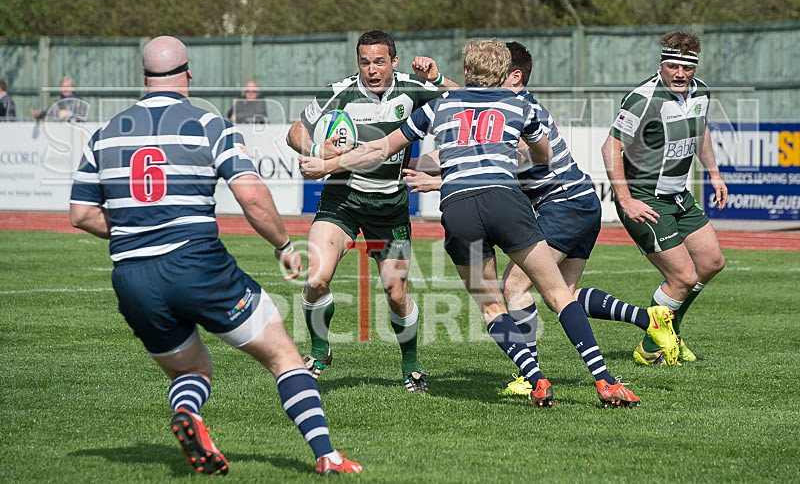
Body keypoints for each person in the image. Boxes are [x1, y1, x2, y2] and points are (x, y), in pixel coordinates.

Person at [69, 36, 361, 476]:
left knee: (191, 368)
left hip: (131, 276)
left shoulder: (106, 133)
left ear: (143, 77)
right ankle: (327, 455)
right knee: (283, 355)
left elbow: (80, 214)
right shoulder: (207, 122)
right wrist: (283, 245)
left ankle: (188, 415)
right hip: (196, 263)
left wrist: (136, 231)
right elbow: (252, 197)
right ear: (188, 72)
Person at [300, 38, 641, 408]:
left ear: (465, 72)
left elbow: (383, 148)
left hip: (459, 208)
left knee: (491, 306)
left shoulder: (441, 105)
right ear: (501, 73)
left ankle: (536, 379)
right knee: (558, 293)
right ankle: (605, 381)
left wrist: (328, 165)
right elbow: (542, 155)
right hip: (505, 202)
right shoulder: (519, 104)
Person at [402, 41, 679, 399]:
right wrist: (439, 79)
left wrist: (441, 180)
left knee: (515, 288)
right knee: (562, 293)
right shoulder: (509, 105)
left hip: (561, 204)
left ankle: (529, 374)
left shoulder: (520, 107)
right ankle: (648, 319)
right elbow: (471, 110)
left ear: (512, 77)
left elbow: (498, 163)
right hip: (578, 202)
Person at [285, 30, 456, 392]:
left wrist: (437, 79)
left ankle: (411, 368)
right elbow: (295, 131)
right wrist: (318, 147)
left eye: (380, 62)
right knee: (316, 279)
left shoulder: (414, 88)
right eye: (365, 62)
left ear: (394, 62)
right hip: (341, 200)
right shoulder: (341, 92)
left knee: (396, 293)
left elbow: (465, 103)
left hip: (390, 206)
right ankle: (318, 351)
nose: (372, 69)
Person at [601, 30, 727, 365]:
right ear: (662, 65)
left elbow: (699, 132)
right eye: (673, 66)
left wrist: (713, 173)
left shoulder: (700, 92)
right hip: (645, 197)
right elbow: (610, 147)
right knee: (683, 277)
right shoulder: (642, 98)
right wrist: (625, 200)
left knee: (712, 262)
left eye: (686, 68)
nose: (680, 74)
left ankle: (672, 332)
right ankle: (649, 348)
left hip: (678, 195)